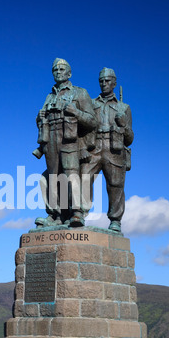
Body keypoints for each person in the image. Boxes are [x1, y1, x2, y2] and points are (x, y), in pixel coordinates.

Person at [34, 58, 96, 228]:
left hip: (70, 138)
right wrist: (38, 118)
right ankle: (55, 215)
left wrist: (76, 112)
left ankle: (76, 213)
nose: (58, 72)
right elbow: (41, 121)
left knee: (71, 175)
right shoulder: (50, 96)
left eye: (62, 69)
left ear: (69, 73)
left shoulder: (79, 93)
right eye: (55, 70)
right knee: (52, 177)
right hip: (51, 139)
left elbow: (92, 121)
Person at [81, 67, 134, 233]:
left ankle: (115, 220)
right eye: (101, 81)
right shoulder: (91, 103)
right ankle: (80, 213)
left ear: (114, 83)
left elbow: (130, 138)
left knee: (115, 185)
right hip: (94, 147)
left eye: (107, 81)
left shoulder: (124, 108)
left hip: (114, 150)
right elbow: (83, 128)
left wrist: (124, 125)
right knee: (83, 178)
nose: (104, 84)